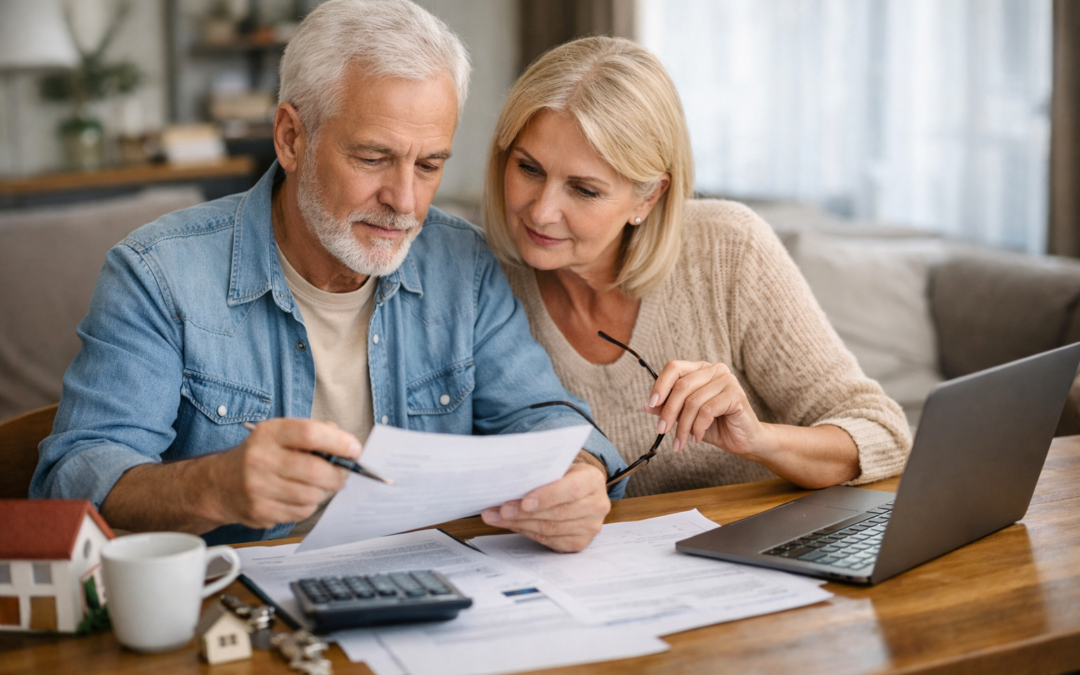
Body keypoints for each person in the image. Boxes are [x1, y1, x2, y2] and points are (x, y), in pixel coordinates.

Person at [31, 0, 626, 553]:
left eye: (430, 164)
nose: (404, 201)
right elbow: (73, 481)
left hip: (433, 592)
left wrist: (581, 472)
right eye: (372, 158)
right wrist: (215, 487)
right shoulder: (158, 274)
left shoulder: (462, 263)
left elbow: (540, 414)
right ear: (291, 138)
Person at [478, 36, 912, 518]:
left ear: (648, 198)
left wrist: (760, 440)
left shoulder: (729, 250)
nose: (541, 211)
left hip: (758, 555)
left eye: (583, 189)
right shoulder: (479, 282)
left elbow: (884, 434)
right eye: (528, 168)